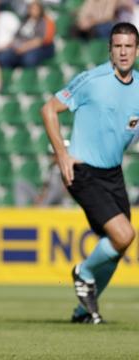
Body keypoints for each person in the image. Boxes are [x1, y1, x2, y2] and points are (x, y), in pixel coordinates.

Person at [41, 22, 139, 324]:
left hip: (113, 173)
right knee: (124, 234)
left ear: (136, 51)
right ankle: (82, 272)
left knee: (118, 246)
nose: (123, 52)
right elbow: (49, 109)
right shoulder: (93, 80)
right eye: (118, 46)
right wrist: (62, 155)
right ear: (110, 50)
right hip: (82, 170)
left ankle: (85, 311)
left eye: (129, 46)